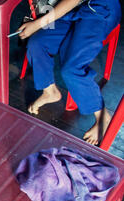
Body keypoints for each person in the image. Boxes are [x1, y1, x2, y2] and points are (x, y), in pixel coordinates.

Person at [18, 0, 121, 145]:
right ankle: (49, 91)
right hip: (74, 10)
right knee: (37, 43)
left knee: (71, 69)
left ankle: (102, 116)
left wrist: (37, 24)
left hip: (99, 10)